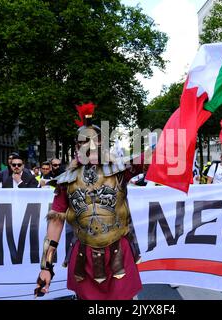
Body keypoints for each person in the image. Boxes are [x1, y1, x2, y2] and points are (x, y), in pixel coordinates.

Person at [35, 103, 143, 300]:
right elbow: (55, 222)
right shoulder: (66, 180)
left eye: (94, 142)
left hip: (118, 252)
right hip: (84, 257)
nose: (89, 147)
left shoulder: (121, 170)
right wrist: (46, 267)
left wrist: (179, 130)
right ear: (76, 147)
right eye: (82, 143)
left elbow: (153, 158)